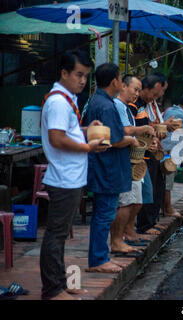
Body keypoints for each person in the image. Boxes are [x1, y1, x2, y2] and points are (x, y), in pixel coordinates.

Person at [39, 50, 109, 300]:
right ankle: (52, 289)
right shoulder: (59, 101)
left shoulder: (67, 99)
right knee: (56, 235)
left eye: (86, 76)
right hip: (63, 178)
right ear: (64, 73)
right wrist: (89, 147)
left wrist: (86, 130)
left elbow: (67, 132)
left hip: (71, 177)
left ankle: (59, 283)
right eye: (78, 75)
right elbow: (57, 139)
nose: (82, 81)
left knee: (59, 234)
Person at [83, 63, 140, 274]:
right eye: (120, 79)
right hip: (106, 168)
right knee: (104, 214)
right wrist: (132, 140)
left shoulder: (99, 100)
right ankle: (99, 259)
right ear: (115, 81)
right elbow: (113, 140)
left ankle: (101, 256)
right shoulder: (106, 105)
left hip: (104, 166)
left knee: (103, 213)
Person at [112, 74, 155, 253]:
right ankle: (118, 239)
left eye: (138, 90)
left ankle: (127, 234)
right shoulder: (118, 105)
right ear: (122, 86)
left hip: (132, 160)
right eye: (135, 89)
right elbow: (123, 130)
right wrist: (141, 130)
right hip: (123, 160)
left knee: (135, 200)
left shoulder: (126, 108)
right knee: (126, 201)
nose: (137, 93)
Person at [135, 74, 179, 236]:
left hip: (155, 149)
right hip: (143, 150)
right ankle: (145, 224)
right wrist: (163, 126)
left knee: (157, 186)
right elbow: (141, 126)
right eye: (156, 93)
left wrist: (163, 127)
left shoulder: (151, 104)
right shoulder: (137, 105)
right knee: (147, 188)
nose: (159, 96)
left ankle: (152, 221)